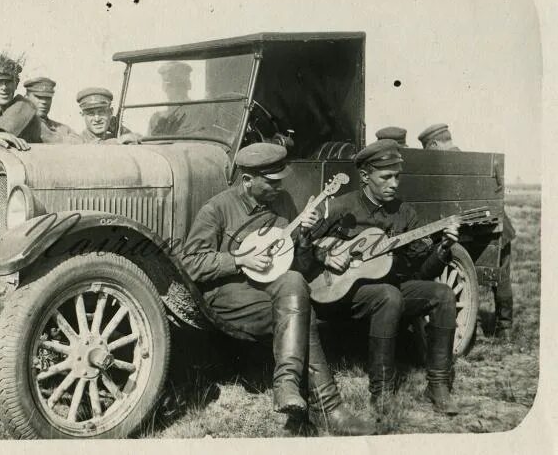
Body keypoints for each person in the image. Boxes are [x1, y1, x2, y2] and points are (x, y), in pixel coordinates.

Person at [181, 142, 375, 436]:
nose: (279, 186)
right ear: (247, 181)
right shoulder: (217, 209)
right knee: (300, 312)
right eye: (271, 182)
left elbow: (299, 262)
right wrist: (238, 259)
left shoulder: (283, 202)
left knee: (295, 283)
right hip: (227, 295)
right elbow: (191, 263)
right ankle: (329, 409)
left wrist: (306, 235)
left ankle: (287, 386)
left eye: (280, 179)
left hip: (272, 291)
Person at [311, 139, 460, 416]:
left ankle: (438, 384)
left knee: (443, 295)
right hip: (339, 293)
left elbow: (422, 271)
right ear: (365, 177)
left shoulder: (404, 213)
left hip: (388, 289)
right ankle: (381, 393)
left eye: (397, 177)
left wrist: (443, 248)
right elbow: (305, 246)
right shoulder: (342, 206)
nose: (394, 184)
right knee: (388, 295)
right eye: (386, 177)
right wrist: (326, 256)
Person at [419, 125, 514, 338]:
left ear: (434, 144)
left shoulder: (449, 164)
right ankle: (505, 329)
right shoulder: (472, 160)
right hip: (494, 225)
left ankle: (478, 328)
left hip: (478, 227)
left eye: (427, 149)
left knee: (475, 277)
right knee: (501, 277)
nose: (427, 155)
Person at [148, 61, 208, 136]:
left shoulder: (199, 111)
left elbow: (201, 136)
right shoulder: (156, 118)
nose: (166, 89)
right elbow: (147, 142)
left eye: (171, 85)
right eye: (165, 84)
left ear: (187, 85)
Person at [24, 77, 82, 144]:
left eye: (48, 98)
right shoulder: (21, 125)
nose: (44, 102)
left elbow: (81, 143)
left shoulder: (63, 129)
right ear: (26, 98)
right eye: (39, 97)